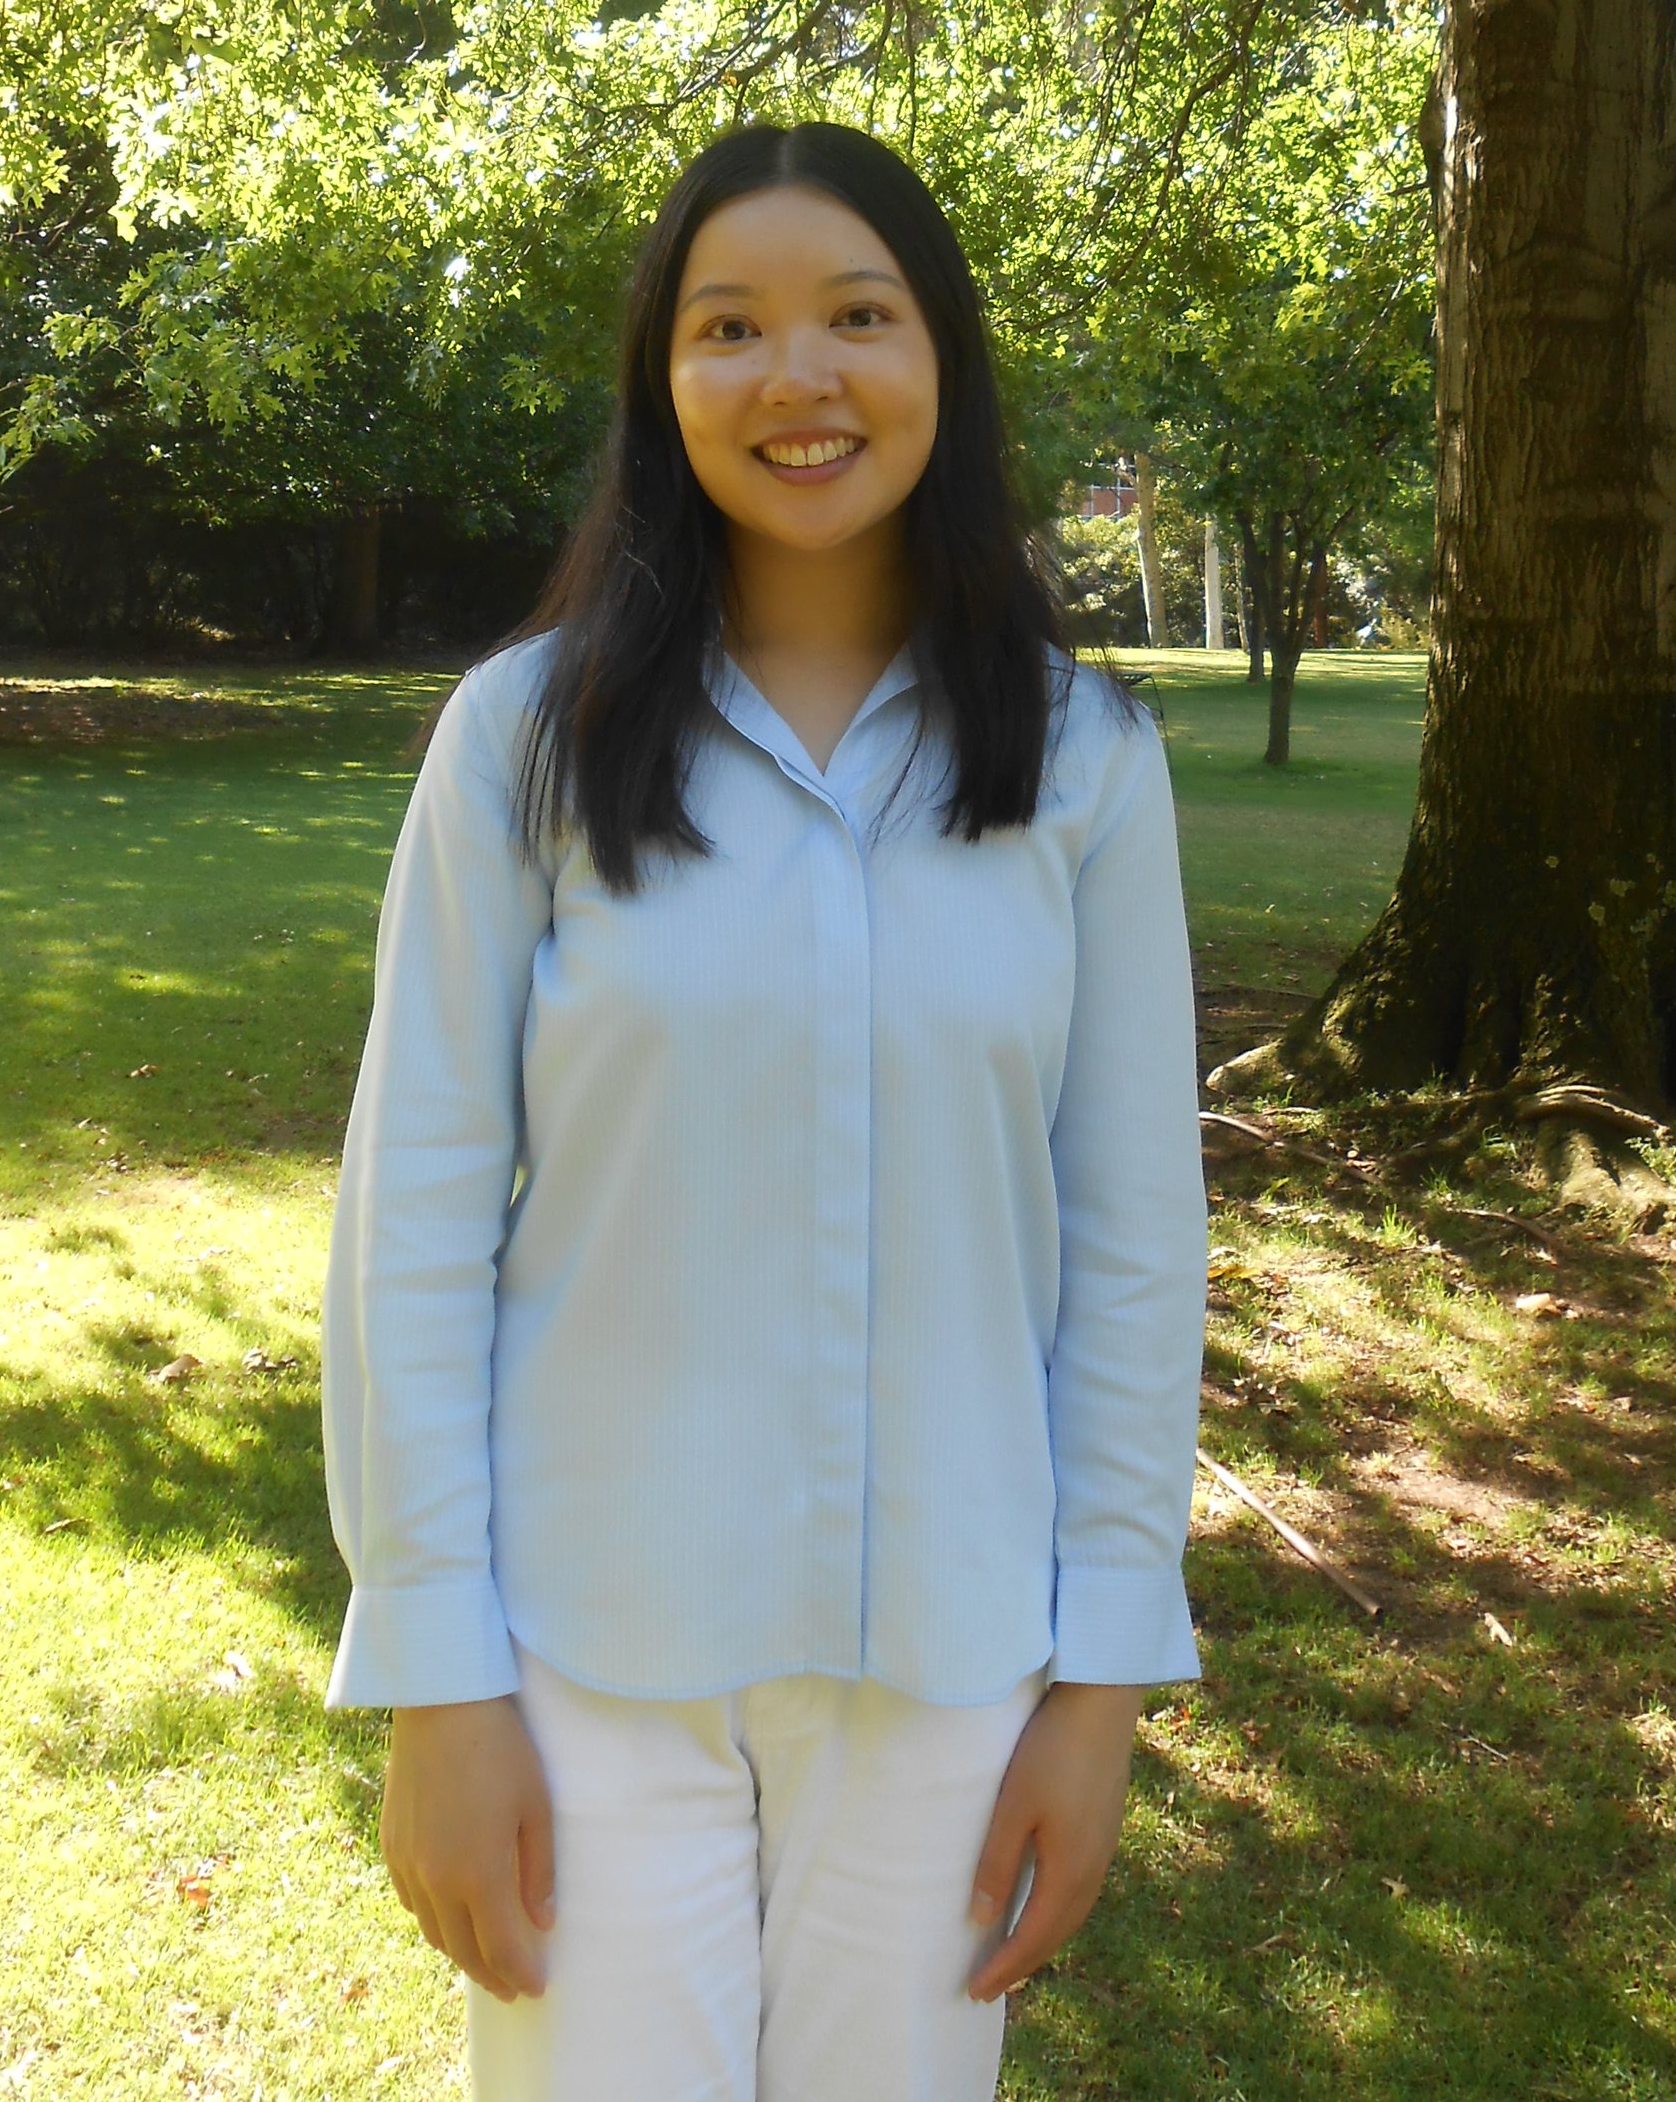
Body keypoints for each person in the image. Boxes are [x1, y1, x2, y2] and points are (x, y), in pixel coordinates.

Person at [322, 121, 1207, 2102]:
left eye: (854, 316)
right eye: (729, 326)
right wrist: (436, 1674)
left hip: (954, 1671)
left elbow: (1135, 1241)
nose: (795, 377)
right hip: (579, 1648)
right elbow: (414, 1219)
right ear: (663, 385)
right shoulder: (520, 742)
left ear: (939, 362)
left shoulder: (1083, 759)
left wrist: (1099, 1683)